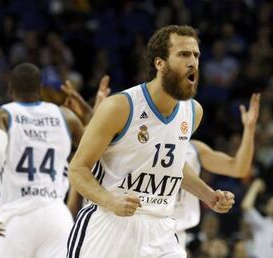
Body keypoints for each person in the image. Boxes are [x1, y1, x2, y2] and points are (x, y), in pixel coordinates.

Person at [66, 25, 234, 258]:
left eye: (196, 55)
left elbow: (170, 163)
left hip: (160, 229)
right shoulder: (120, 107)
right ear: (160, 63)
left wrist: (207, 194)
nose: (193, 61)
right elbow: (77, 169)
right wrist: (111, 201)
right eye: (184, 54)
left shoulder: (193, 112)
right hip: (109, 225)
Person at [0, 62, 85, 258]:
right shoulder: (66, 117)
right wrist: (89, 111)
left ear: (10, 90)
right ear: (40, 89)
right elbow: (97, 151)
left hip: (15, 216)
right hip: (56, 216)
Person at [173, 93, 260, 247]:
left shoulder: (194, 149)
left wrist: (249, 130)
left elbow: (238, 168)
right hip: (144, 226)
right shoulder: (147, 145)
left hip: (177, 236)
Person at [241, 178, 273, 258]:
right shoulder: (264, 223)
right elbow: (246, 206)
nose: (270, 204)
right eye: (270, 203)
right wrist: (255, 186)